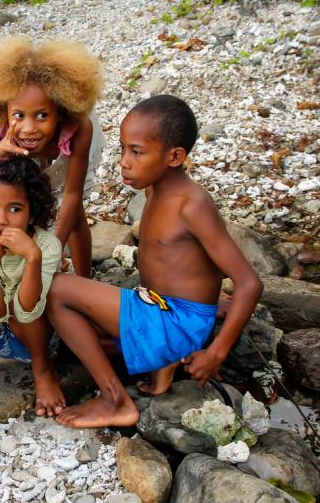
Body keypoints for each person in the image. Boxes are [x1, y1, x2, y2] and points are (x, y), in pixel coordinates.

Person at [46, 95, 264, 428]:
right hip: (161, 309)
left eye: (136, 151)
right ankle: (164, 362)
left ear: (175, 156)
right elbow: (193, 260)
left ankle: (115, 400)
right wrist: (210, 296)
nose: (124, 162)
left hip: (176, 322)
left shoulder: (191, 205)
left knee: (57, 290)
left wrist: (215, 353)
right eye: (122, 149)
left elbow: (249, 282)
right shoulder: (153, 191)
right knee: (77, 333)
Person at [0, 36, 103, 278]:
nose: (29, 128)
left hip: (68, 153)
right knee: (28, 199)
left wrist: (52, 251)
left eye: (42, 116)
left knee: (74, 212)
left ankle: (85, 277)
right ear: (4, 110)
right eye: (19, 115)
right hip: (19, 154)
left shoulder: (80, 127)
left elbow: (72, 194)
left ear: (61, 112)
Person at [0, 155, 66, 417]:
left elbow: (28, 311)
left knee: (20, 310)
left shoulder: (46, 246)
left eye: (15, 209)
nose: (1, 220)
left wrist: (33, 257)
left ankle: (42, 368)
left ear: (32, 214)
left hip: (35, 332)